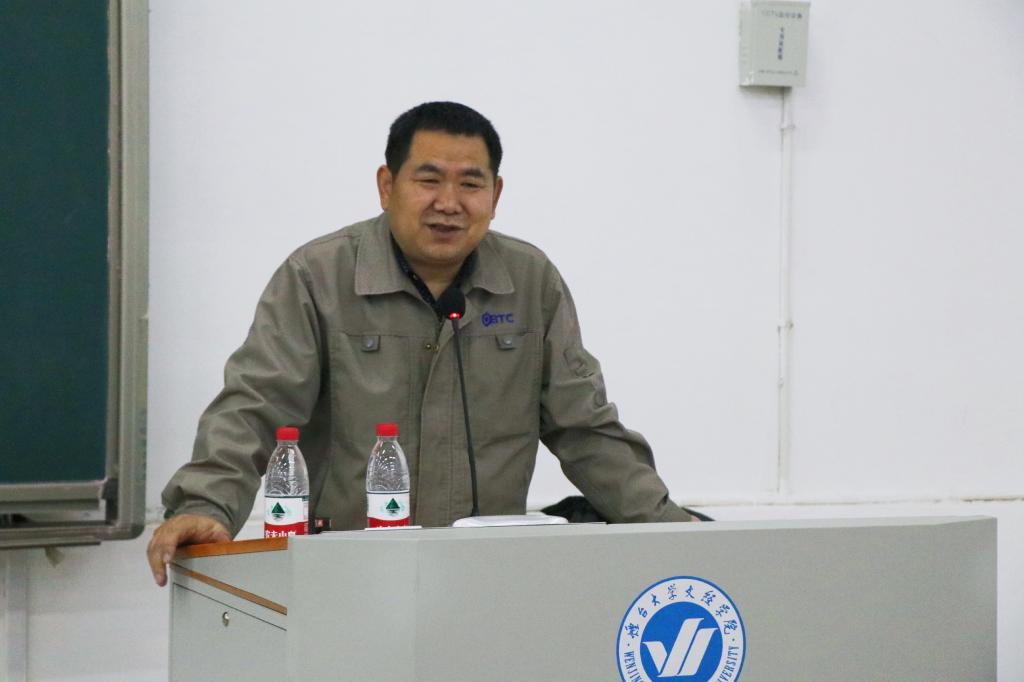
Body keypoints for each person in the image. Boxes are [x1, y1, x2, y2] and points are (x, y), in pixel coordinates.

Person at [147, 102, 695, 586]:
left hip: (487, 573)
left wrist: (675, 531)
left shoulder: (530, 282)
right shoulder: (319, 277)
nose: (449, 203)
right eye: (429, 180)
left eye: (471, 184)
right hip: (343, 571)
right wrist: (205, 505)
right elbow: (254, 406)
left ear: (496, 194)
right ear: (387, 186)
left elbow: (585, 429)